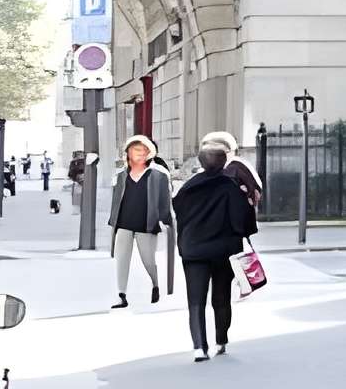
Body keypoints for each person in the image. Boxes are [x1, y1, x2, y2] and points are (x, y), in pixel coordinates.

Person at [172, 135, 260, 362]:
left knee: (195, 301)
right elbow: (242, 222)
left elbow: (178, 213)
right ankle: (221, 339)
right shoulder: (231, 187)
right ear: (224, 162)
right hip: (223, 251)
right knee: (221, 298)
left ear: (200, 162)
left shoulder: (187, 188)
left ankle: (199, 347)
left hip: (193, 250)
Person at [104, 139, 165, 308]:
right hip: (124, 223)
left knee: (148, 260)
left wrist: (165, 219)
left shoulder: (157, 176)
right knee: (122, 260)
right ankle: (121, 295)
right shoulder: (121, 176)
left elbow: (164, 201)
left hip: (145, 224)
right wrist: (113, 223)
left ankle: (155, 284)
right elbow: (116, 201)